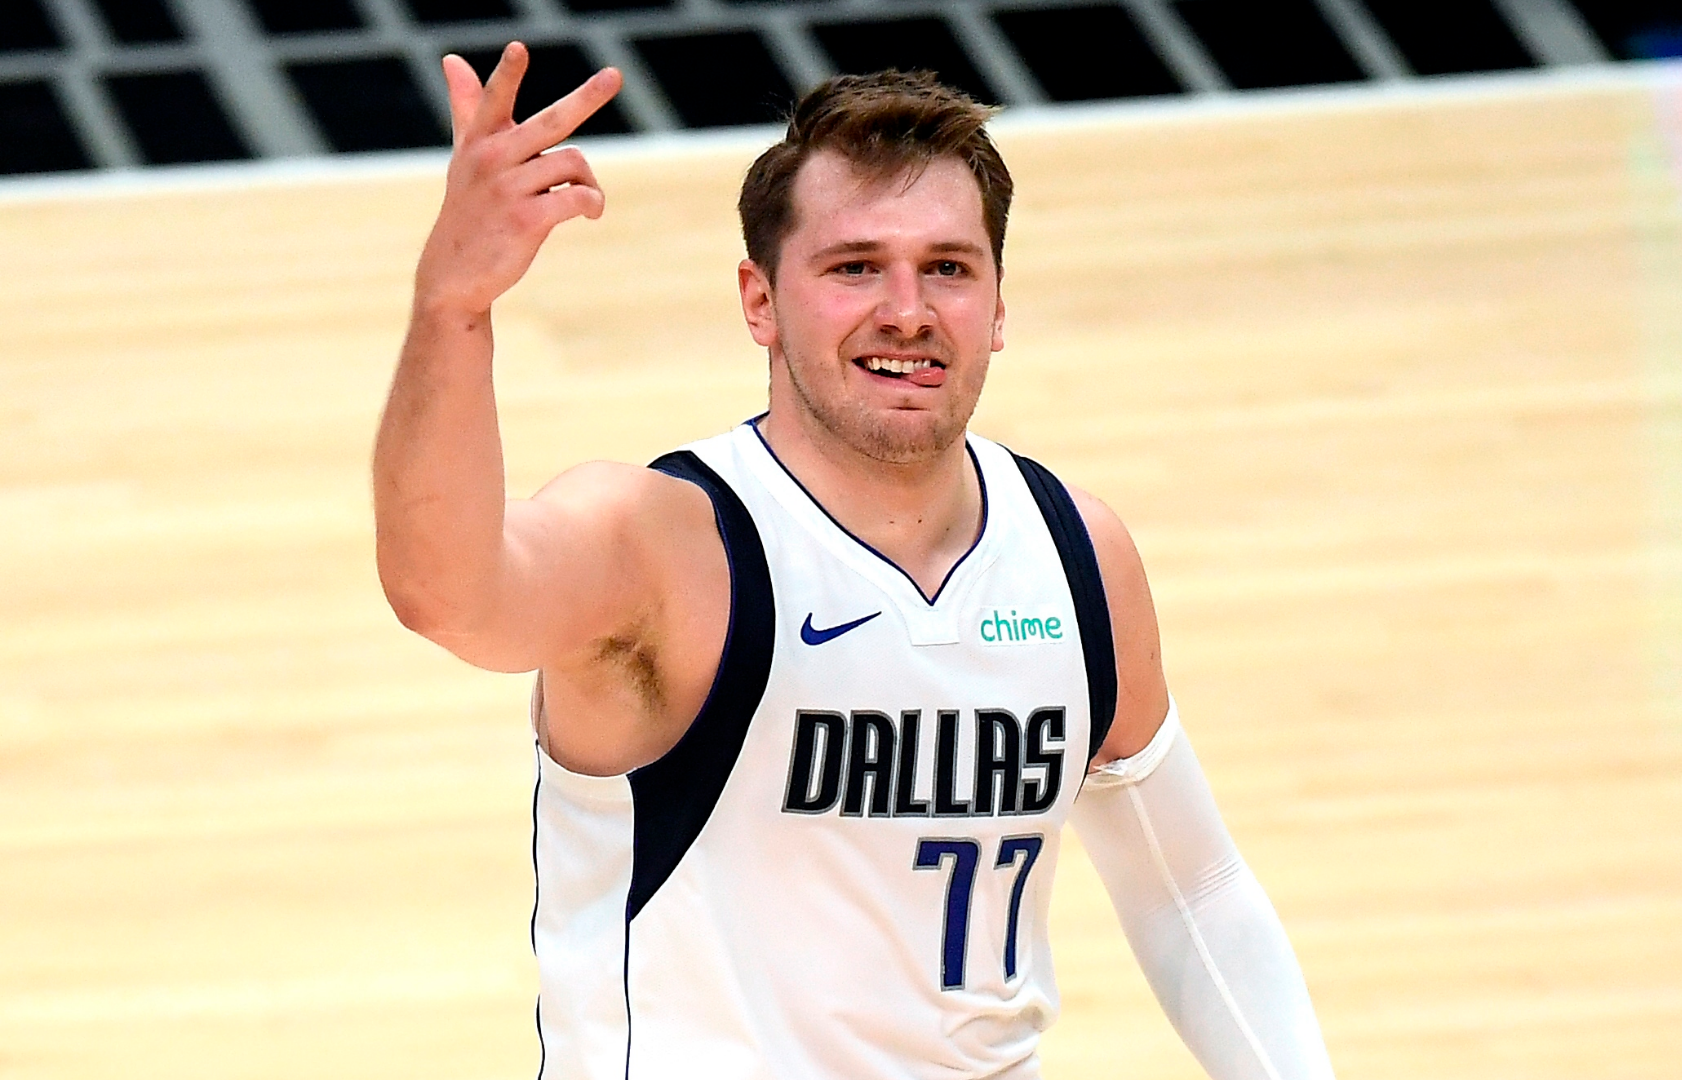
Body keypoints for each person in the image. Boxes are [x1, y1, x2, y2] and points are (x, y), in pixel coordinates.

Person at [373, 42, 1335, 1080]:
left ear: (998, 307)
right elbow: (444, 591)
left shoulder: (1076, 556)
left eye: (948, 269)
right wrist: (451, 311)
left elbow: (1192, 894)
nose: (907, 311)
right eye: (855, 267)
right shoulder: (664, 545)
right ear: (759, 301)